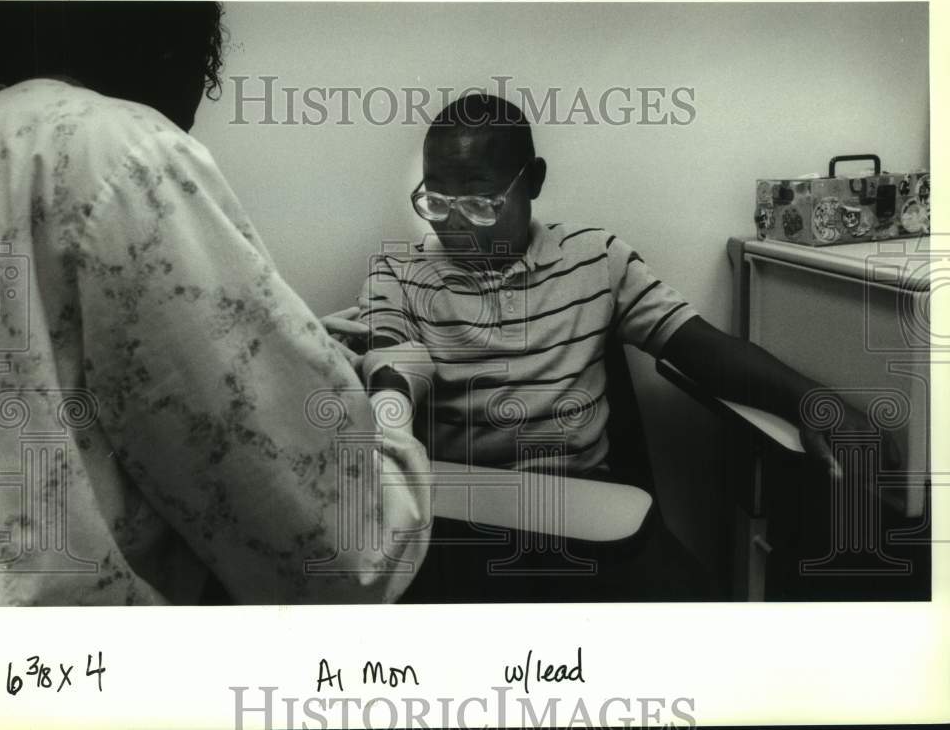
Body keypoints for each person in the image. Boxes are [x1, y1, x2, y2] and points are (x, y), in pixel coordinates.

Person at [338, 93, 896, 600]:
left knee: (692, 630)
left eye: (481, 203)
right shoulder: (397, 272)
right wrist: (386, 403)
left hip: (586, 515)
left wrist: (811, 401)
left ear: (531, 181)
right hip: (463, 519)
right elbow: (395, 358)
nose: (455, 225)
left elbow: (697, 347)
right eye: (437, 202)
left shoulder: (596, 258)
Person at [0, 1, 430, 606]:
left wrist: (288, 342)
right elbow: (340, 554)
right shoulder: (121, 148)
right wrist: (396, 395)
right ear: (173, 49)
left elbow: (36, 370)